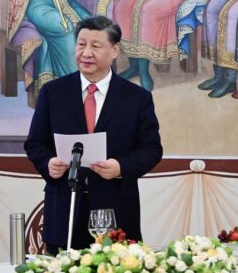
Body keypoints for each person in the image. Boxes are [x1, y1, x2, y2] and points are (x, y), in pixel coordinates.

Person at [25, 15, 163, 254]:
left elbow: (151, 149)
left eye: (95, 46)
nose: (86, 53)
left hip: (116, 212)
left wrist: (121, 167)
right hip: (65, 211)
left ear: (115, 50)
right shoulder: (53, 93)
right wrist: (48, 163)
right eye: (81, 44)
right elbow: (35, 143)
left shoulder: (136, 98)